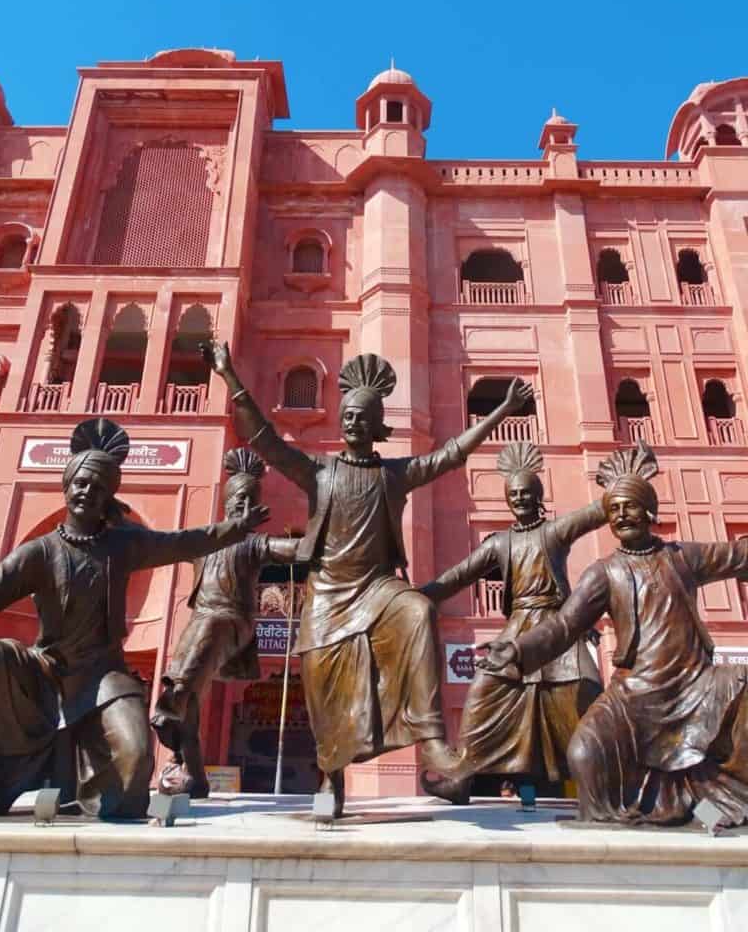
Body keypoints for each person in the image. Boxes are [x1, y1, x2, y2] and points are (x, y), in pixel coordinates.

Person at [204, 341, 533, 816]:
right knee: (326, 693)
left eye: (364, 416)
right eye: (349, 415)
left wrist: (501, 410)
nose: (354, 421)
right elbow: (265, 440)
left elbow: (451, 455)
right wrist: (230, 377)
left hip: (378, 587)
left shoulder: (394, 475)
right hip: (328, 593)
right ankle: (331, 775)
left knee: (417, 608)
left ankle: (433, 742)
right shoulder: (318, 472)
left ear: (378, 425)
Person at [0, 419, 268, 818]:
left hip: (104, 676)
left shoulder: (124, 543)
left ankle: (86, 796)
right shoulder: (39, 553)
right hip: (45, 671)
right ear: (67, 487)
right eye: (81, 483)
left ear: (108, 496)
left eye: (98, 487)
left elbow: (183, 542)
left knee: (132, 773)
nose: (87, 491)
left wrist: (234, 529)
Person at [480, 442, 748, 827]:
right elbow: (563, 626)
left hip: (695, 684)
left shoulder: (683, 556)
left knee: (742, 686)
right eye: (614, 509)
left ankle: (715, 806)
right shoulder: (604, 572)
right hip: (634, 692)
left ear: (649, 511)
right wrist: (517, 651)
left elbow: (738, 556)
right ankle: (620, 826)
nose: (621, 515)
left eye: (630, 506)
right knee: (584, 753)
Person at [420, 441, 604, 803]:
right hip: (518, 627)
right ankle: (461, 778)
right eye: (514, 493)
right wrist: (414, 596)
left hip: (557, 628)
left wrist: (622, 487)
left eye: (526, 492)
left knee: (585, 696)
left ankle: (608, 782)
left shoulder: (555, 531)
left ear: (538, 496)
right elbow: (457, 577)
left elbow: (595, 513)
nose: (519, 498)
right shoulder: (499, 543)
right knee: (482, 692)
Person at [152, 448, 300, 798]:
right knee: (191, 697)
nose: (244, 504)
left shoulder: (254, 544)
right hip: (202, 620)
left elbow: (296, 550)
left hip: (231, 621)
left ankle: (169, 712)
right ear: (226, 502)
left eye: (250, 498)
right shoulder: (204, 541)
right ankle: (193, 774)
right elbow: (160, 545)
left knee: (191, 666)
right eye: (238, 497)